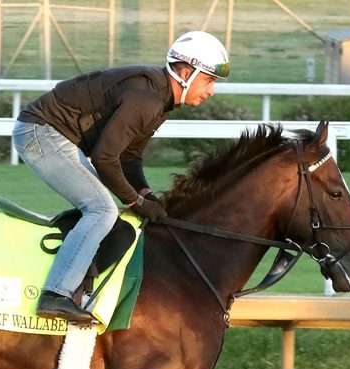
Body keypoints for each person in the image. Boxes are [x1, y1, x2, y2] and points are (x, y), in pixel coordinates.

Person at [12, 31, 230, 324]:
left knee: (104, 208)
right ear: (187, 73)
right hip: (41, 132)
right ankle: (56, 294)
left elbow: (129, 157)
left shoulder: (161, 99)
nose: (211, 91)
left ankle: (81, 285)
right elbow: (105, 158)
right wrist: (135, 200)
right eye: (209, 80)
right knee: (101, 208)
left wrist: (146, 194)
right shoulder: (147, 98)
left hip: (57, 135)